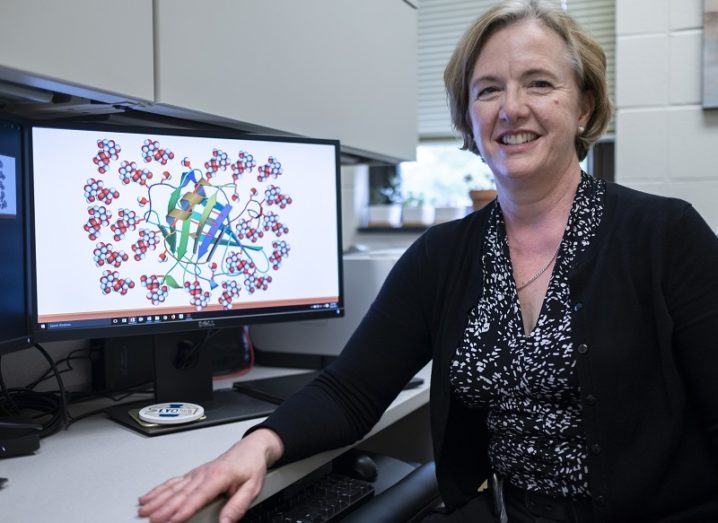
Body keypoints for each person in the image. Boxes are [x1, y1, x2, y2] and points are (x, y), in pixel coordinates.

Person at [138, 1, 718, 521]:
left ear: (585, 105)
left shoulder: (666, 235)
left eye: (539, 83)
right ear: (468, 117)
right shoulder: (442, 257)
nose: (512, 108)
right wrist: (255, 445)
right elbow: (351, 390)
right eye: (488, 90)